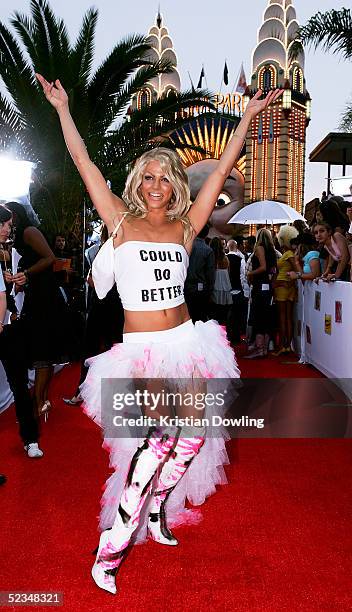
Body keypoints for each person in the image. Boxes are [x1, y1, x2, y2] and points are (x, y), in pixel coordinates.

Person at [37, 72, 282, 595]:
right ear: (136, 183)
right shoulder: (119, 222)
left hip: (189, 346)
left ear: (174, 185)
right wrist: (62, 110)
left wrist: (247, 119)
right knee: (160, 441)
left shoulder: (187, 226)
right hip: (143, 354)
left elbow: (219, 176)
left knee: (190, 440)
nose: (155, 184)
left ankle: (156, 515)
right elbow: (85, 164)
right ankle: (110, 548)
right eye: (147, 176)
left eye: (164, 177)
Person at [3, 201, 77, 420]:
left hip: (45, 299)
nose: (5, 222)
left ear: (15, 215)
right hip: (37, 296)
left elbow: (50, 258)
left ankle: (38, 403)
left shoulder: (29, 231)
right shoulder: (19, 235)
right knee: (42, 353)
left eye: (7, 216)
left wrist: (26, 273)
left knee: (42, 353)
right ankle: (42, 401)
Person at [0, 206, 43, 457]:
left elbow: (11, 294)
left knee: (19, 384)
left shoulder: (10, 254)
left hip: (10, 329)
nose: (8, 229)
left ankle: (31, 439)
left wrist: (17, 281)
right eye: (4, 225)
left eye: (9, 225)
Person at [245, 228, 277, 358]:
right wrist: (272, 285)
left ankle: (259, 349)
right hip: (268, 287)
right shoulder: (272, 251)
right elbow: (275, 270)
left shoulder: (259, 248)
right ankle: (263, 348)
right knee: (265, 318)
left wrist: (250, 273)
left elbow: (263, 267)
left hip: (259, 286)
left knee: (258, 318)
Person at [272, 225, 299, 355]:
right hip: (288, 286)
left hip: (283, 287)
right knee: (288, 317)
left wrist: (287, 281)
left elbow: (297, 271)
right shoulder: (289, 253)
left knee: (283, 318)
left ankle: (284, 345)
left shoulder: (288, 254)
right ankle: (287, 345)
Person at [184, 223, 215, 322]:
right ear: (206, 234)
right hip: (201, 290)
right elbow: (210, 274)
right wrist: (210, 291)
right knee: (200, 319)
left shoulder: (185, 246)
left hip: (185, 286)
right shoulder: (208, 250)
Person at [209, 236, 233, 324]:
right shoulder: (225, 258)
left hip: (215, 286)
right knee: (224, 313)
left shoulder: (211, 258)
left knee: (214, 313)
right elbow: (229, 273)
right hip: (226, 286)